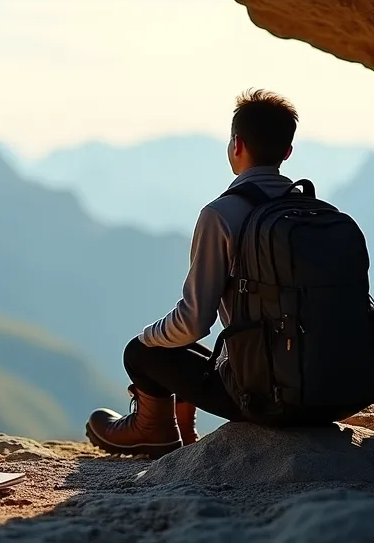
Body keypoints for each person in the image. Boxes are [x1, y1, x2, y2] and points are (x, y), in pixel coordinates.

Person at [85, 88, 298, 457]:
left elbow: (194, 322)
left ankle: (154, 430)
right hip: (324, 388)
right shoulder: (310, 211)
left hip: (265, 399)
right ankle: (180, 427)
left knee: (142, 352)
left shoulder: (223, 214)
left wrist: (148, 337)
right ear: (287, 152)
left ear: (237, 145)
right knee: (189, 346)